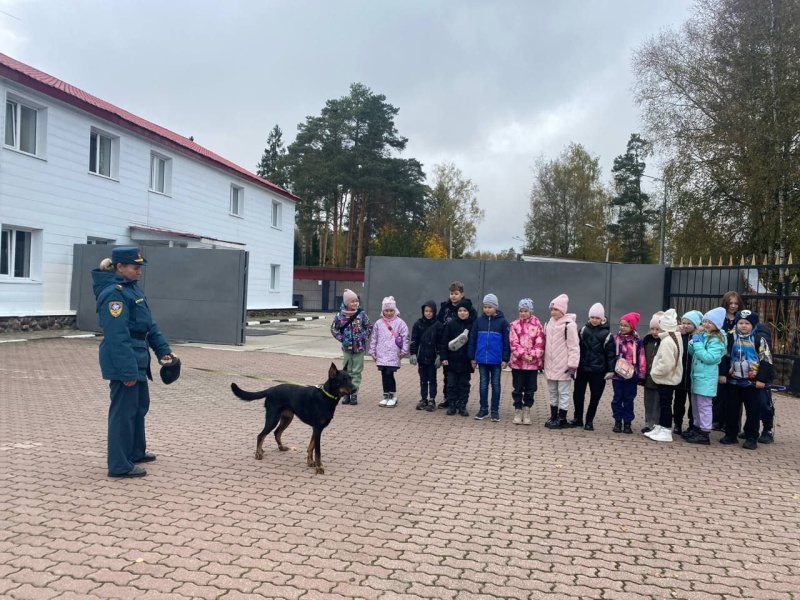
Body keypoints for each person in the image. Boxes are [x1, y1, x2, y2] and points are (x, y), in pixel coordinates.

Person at [92, 246, 173, 478]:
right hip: (124, 360)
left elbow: (149, 325)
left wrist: (163, 351)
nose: (140, 272)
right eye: (135, 267)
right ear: (120, 267)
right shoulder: (114, 294)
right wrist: (127, 371)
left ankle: (136, 451)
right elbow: (117, 336)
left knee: (138, 407)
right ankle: (119, 464)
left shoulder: (131, 289)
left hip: (138, 356)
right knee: (123, 412)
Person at [719, 309, 774, 449]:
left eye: (747, 323)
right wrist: (723, 374)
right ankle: (731, 434)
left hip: (752, 382)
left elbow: (766, 360)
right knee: (731, 409)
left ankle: (751, 436)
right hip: (733, 380)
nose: (743, 326)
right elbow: (724, 356)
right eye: (741, 323)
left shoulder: (759, 339)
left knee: (753, 410)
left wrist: (761, 379)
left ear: (753, 325)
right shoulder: (730, 337)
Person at [685, 307, 727, 445]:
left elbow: (709, 357)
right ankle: (697, 428)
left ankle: (704, 433)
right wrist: (693, 343)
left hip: (706, 377)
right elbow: (694, 353)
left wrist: (697, 344)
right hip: (697, 376)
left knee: (704, 406)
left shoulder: (717, 340)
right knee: (696, 404)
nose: (706, 324)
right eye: (704, 322)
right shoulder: (704, 336)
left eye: (710, 322)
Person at [570, 302, 615, 431]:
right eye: (592, 317)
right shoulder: (583, 330)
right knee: (578, 394)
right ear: (589, 317)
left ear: (602, 319)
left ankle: (589, 420)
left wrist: (610, 370)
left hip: (598, 371)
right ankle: (577, 418)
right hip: (582, 368)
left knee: (595, 396)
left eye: (597, 318)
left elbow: (610, 354)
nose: (594, 320)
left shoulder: (607, 335)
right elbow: (576, 348)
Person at [468, 293, 510, 422]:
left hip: (496, 360)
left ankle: (494, 410)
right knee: (483, 384)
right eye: (485, 307)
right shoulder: (478, 322)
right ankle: (483, 409)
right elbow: (472, 340)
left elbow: (506, 342)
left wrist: (505, 359)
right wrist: (472, 357)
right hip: (481, 359)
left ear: (495, 307)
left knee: (496, 384)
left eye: (490, 307)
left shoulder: (503, 322)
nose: (487, 309)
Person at [436, 281, 478, 410]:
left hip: (464, 351)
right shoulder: (445, 307)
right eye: (451, 293)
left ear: (462, 294)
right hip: (448, 346)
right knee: (448, 376)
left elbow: (474, 327)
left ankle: (461, 402)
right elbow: (439, 323)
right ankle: (448, 398)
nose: (453, 296)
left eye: (456, 293)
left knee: (463, 381)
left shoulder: (468, 309)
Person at [542, 294, 579, 429]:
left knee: (563, 392)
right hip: (550, 364)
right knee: (552, 391)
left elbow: (574, 346)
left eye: (556, 309)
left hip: (564, 365)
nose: (553, 312)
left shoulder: (569, 325)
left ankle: (562, 417)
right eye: (551, 309)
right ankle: (553, 415)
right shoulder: (548, 324)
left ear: (563, 310)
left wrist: (573, 365)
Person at [647, 309, 684, 443]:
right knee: (664, 404)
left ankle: (666, 429)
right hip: (669, 377)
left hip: (666, 378)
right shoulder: (674, 338)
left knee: (665, 405)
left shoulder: (668, 341)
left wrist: (654, 372)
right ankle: (661, 426)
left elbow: (666, 363)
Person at [330, 289, 372, 406]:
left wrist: (363, 337)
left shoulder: (361, 314)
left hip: (359, 348)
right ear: (346, 303)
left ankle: (354, 393)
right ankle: (346, 394)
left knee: (357, 371)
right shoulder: (340, 316)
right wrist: (342, 339)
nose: (355, 304)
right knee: (346, 371)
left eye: (356, 301)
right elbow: (334, 329)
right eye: (352, 301)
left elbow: (369, 326)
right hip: (347, 348)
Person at [508, 298, 545, 425]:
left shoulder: (537, 325)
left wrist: (533, 356)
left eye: (526, 311)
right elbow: (513, 342)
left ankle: (527, 409)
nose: (523, 313)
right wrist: (522, 355)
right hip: (518, 364)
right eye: (521, 311)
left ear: (530, 311)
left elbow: (540, 343)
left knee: (530, 389)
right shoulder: (514, 325)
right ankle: (518, 410)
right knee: (517, 388)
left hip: (532, 365)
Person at [713, 291, 745, 429]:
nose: (733, 306)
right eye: (730, 303)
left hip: (737, 358)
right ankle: (717, 420)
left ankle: (732, 423)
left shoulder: (741, 319)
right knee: (720, 393)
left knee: (735, 395)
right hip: (722, 357)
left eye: (736, 303)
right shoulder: (720, 318)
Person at [610, 312, 646, 434]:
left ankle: (628, 422)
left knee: (629, 399)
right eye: (621, 325)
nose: (622, 328)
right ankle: (617, 420)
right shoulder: (615, 339)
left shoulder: (637, 341)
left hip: (631, 376)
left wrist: (641, 374)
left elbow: (641, 358)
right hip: (617, 376)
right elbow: (610, 356)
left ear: (632, 327)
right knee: (617, 398)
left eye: (626, 325)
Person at [369, 296, 409, 408]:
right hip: (381, 353)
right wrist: (372, 351)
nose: (389, 313)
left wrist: (404, 351)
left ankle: (392, 396)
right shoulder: (378, 323)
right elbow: (374, 338)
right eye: (386, 310)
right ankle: (385, 395)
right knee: (383, 374)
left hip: (393, 353)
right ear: (383, 311)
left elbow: (405, 337)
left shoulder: (400, 323)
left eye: (391, 310)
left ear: (395, 310)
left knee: (389, 374)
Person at [410, 301, 442, 412]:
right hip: (421, 356)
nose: (428, 313)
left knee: (432, 379)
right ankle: (423, 399)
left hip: (432, 357)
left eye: (430, 311)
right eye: (426, 311)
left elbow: (440, 342)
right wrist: (413, 353)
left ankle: (432, 399)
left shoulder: (438, 325)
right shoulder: (418, 324)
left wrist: (439, 355)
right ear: (423, 311)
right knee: (423, 379)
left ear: (434, 312)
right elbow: (414, 340)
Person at [675, 310, 703, 437]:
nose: (685, 326)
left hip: (694, 377)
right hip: (681, 376)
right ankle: (677, 424)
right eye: (683, 323)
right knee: (678, 402)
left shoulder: (700, 338)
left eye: (689, 323)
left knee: (694, 404)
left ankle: (693, 425)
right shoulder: (680, 336)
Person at [640, 312, 664, 434]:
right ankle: (648, 423)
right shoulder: (646, 340)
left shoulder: (664, 342)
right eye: (652, 329)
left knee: (657, 403)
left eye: (658, 329)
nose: (655, 332)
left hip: (659, 378)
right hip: (647, 377)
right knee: (648, 401)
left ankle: (656, 424)